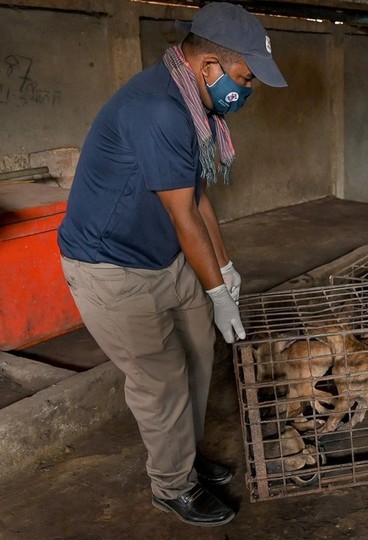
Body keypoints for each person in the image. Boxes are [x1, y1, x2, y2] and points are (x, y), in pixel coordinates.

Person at [57, 2, 287, 527]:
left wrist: (223, 270)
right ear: (208, 67)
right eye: (244, 77)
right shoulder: (159, 108)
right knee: (160, 381)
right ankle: (172, 486)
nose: (246, 91)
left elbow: (199, 197)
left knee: (198, 354)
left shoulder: (193, 103)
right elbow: (184, 215)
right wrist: (216, 294)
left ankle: (181, 454)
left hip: (163, 255)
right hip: (112, 267)